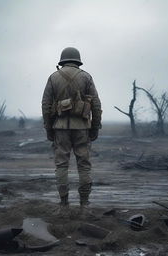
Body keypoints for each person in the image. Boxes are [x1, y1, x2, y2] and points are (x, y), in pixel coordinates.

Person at [41, 47, 102, 217]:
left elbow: (46, 106)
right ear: (78, 60)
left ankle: (63, 205)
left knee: (61, 165)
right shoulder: (86, 77)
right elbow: (96, 105)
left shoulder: (53, 77)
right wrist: (95, 128)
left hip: (60, 127)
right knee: (84, 166)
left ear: (62, 60)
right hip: (82, 127)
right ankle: (84, 207)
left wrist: (49, 129)